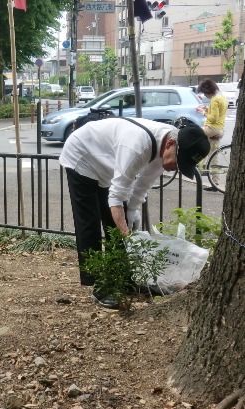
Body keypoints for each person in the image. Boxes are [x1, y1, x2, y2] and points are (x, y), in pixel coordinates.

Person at [59, 117, 210, 308]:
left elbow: (142, 186)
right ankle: (100, 286)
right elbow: (116, 197)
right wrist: (126, 235)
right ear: (170, 144)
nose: (176, 168)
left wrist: (132, 210)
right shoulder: (137, 146)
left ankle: (123, 279)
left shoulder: (165, 145)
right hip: (82, 156)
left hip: (107, 166)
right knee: (89, 222)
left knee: (116, 223)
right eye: (179, 162)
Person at [197, 78, 228, 191]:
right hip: (219, 128)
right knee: (214, 155)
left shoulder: (215, 100)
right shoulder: (222, 97)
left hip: (212, 128)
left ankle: (195, 163)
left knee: (193, 133)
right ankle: (215, 182)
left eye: (205, 93)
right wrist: (207, 109)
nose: (205, 95)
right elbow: (218, 114)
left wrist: (203, 112)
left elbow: (213, 118)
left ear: (208, 90)